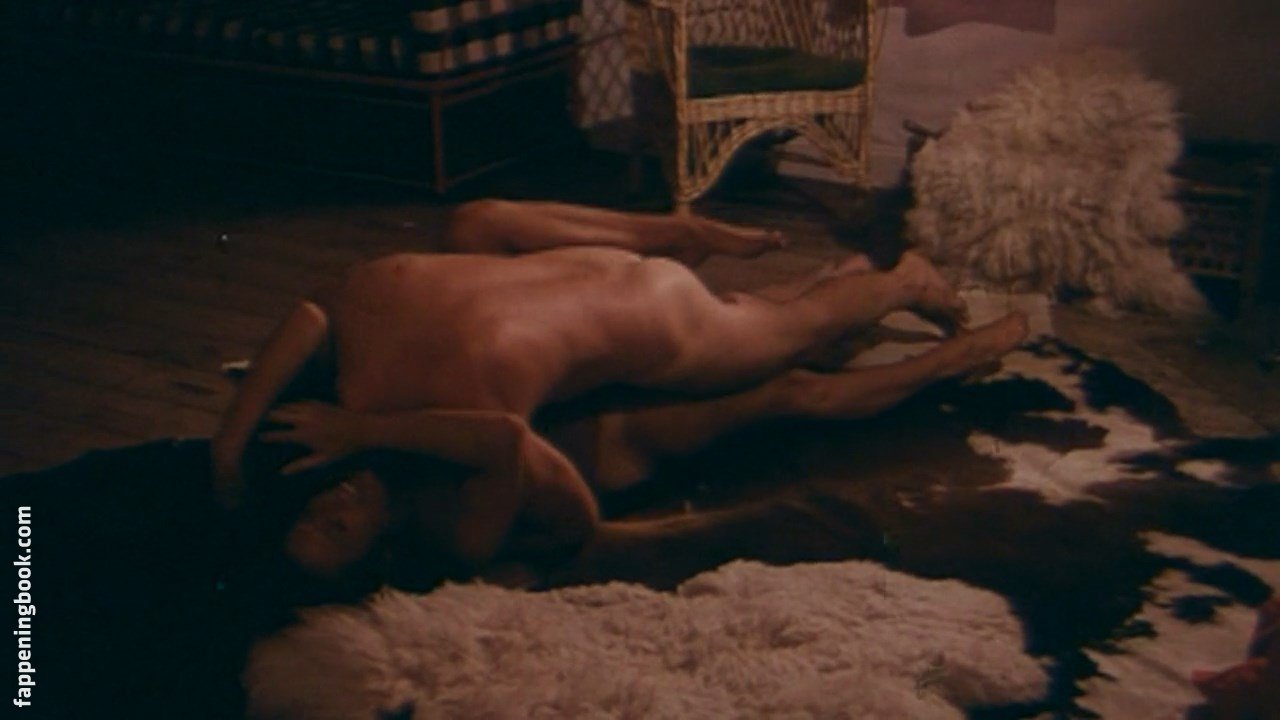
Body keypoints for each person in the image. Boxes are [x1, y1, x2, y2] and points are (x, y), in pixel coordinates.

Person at [211, 199, 1028, 582]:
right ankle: (688, 236)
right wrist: (240, 438)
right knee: (471, 226)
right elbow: (310, 315)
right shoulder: (379, 361)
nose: (332, 504)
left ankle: (896, 283)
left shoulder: (422, 413)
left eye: (314, 511)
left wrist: (241, 444)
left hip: (638, 312)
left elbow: (498, 440)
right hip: (604, 281)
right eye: (333, 529)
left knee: (788, 332)